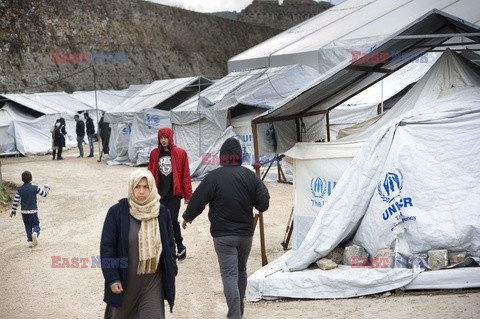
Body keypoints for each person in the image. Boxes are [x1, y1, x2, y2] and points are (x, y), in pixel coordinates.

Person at [182, 137, 270, 319]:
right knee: (241, 271)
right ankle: (238, 311)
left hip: (223, 236)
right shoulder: (249, 176)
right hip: (245, 234)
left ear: (222, 156)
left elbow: (198, 199)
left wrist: (187, 217)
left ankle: (235, 315)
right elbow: (263, 204)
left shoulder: (213, 177)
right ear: (239, 156)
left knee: (229, 274)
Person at [100, 169, 177, 319]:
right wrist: (112, 277)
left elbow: (170, 243)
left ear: (152, 188)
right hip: (125, 282)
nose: (141, 191)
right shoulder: (117, 213)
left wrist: (171, 267)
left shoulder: (162, 213)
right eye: (137, 187)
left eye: (145, 187)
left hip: (152, 282)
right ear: (131, 187)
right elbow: (107, 248)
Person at [147, 127, 192, 261]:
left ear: (170, 138)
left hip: (174, 194)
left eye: (165, 137)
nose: (163, 140)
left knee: (172, 220)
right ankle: (167, 250)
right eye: (161, 138)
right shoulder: (155, 154)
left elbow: (185, 175)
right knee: (161, 222)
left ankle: (180, 245)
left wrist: (188, 195)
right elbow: (149, 173)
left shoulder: (180, 153)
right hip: (159, 195)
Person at [10, 171, 50, 248]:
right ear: (31, 179)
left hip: (24, 212)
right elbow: (44, 194)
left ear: (22, 179)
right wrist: (47, 188)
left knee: (27, 226)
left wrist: (13, 211)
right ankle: (35, 233)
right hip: (33, 211)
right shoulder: (35, 188)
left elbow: (16, 201)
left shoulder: (19, 189)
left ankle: (30, 242)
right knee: (36, 225)